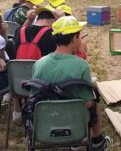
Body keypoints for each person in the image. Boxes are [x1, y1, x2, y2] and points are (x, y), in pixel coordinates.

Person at [32, 16, 110, 150]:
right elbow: (88, 101)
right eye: (79, 36)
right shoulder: (81, 65)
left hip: (45, 120)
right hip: (73, 119)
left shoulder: (39, 63)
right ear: (74, 38)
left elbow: (33, 97)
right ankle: (96, 141)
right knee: (95, 101)